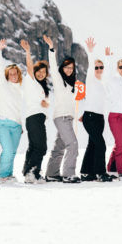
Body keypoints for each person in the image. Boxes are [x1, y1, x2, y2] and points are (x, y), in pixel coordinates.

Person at [43, 35, 81, 183]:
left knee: (60, 146)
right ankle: (68, 174)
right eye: (66, 67)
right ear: (62, 68)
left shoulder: (73, 85)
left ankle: (51, 173)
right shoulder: (59, 81)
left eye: (71, 68)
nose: (69, 70)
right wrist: (51, 49)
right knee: (73, 144)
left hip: (68, 118)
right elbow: (53, 67)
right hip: (61, 117)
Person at [79, 37, 112, 182]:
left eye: (101, 67)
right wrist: (90, 52)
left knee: (92, 144)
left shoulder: (102, 83)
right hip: (90, 117)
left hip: (99, 118)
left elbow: (108, 74)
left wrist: (107, 59)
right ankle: (100, 172)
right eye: (96, 67)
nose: (98, 69)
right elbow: (90, 66)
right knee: (101, 145)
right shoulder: (91, 80)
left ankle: (87, 172)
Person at [19, 39, 51, 184]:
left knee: (33, 146)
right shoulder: (31, 81)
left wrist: (45, 103)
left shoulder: (42, 87)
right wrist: (28, 51)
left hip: (36, 118)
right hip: (34, 118)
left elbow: (44, 104)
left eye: (44, 72)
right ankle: (32, 172)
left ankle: (29, 172)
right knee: (41, 147)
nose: (41, 74)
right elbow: (29, 68)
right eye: (39, 71)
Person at [0, 39, 25, 183]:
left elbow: (18, 109)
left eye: (15, 74)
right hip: (3, 124)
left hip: (17, 126)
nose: (13, 76)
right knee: (7, 150)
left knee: (12, 151)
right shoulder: (3, 85)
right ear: (7, 76)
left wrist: (21, 124)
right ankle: (3, 175)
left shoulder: (20, 90)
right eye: (11, 74)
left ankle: (9, 174)